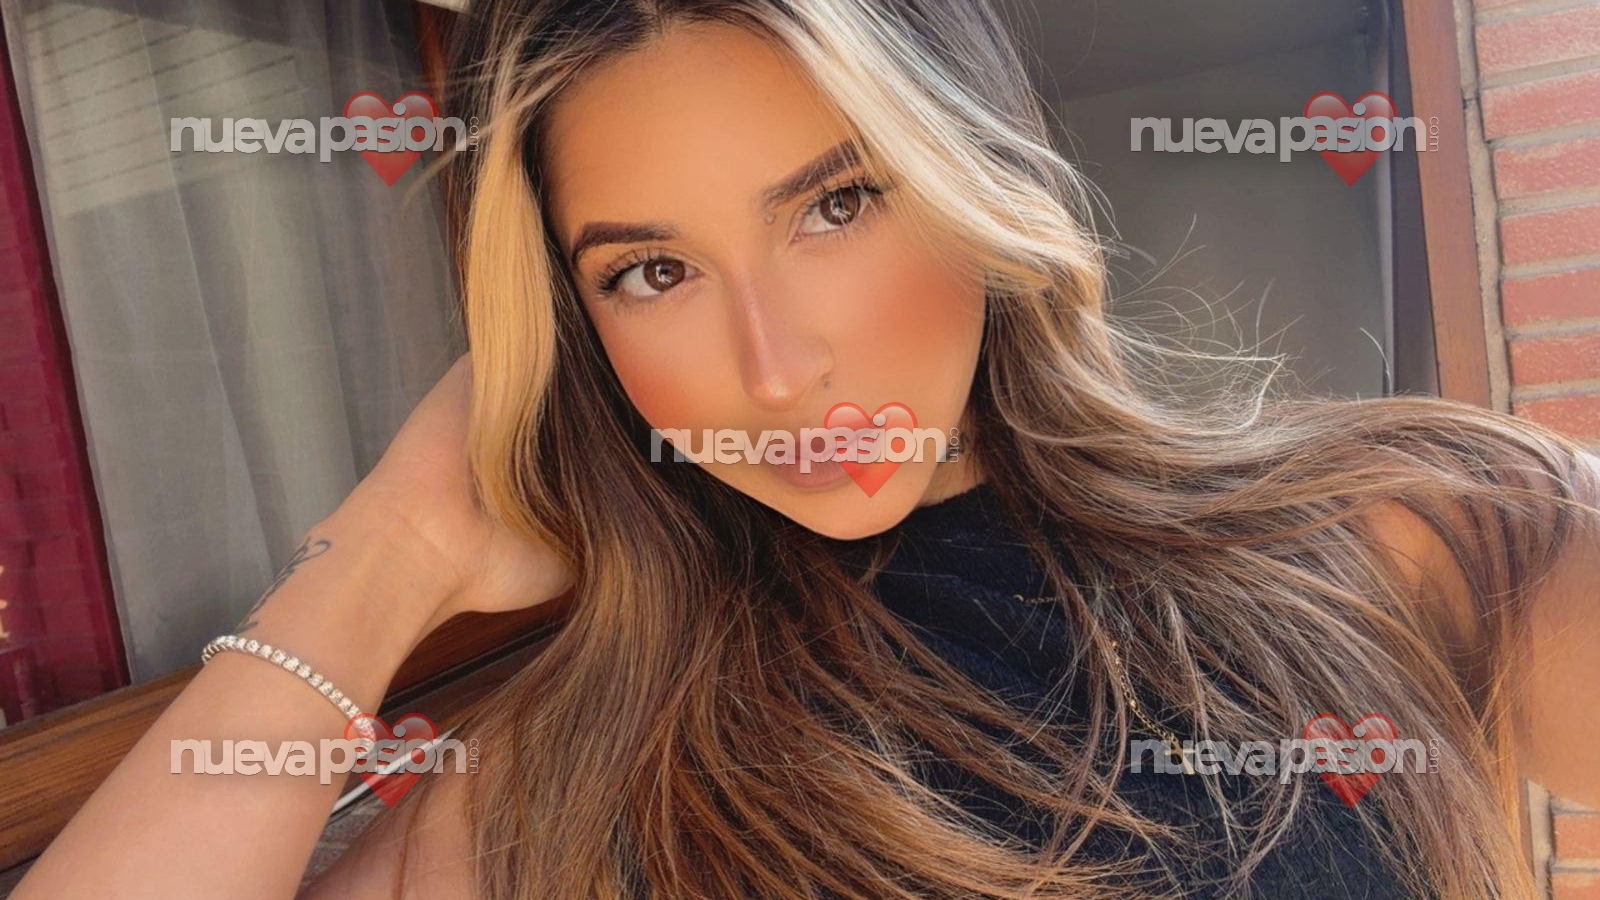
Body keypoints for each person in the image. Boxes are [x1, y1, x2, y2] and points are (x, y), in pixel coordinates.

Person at [14, 1, 1600, 898]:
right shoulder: (556, 780)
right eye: (652, 272)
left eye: (837, 206)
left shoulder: (1419, 530)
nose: (775, 369)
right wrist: (388, 552)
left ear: (976, 184)